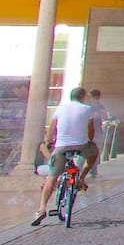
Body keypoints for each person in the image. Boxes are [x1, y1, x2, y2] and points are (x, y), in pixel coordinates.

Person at [32, 88, 100, 225]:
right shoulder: (88, 109)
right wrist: (90, 141)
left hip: (61, 146)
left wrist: (48, 142)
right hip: (81, 145)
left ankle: (41, 209)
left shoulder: (60, 109)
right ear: (82, 97)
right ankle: (80, 178)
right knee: (94, 153)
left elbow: (52, 128)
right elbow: (91, 130)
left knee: (52, 177)